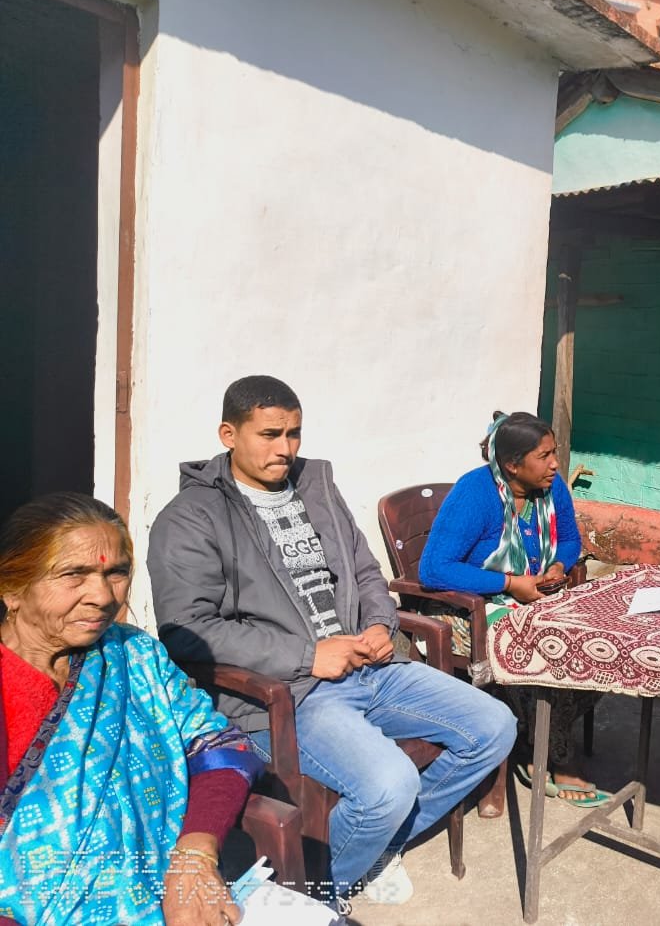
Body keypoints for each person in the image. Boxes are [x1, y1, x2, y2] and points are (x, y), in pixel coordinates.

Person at [148, 376, 516, 907]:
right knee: (389, 786)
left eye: (294, 434)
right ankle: (321, 895)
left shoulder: (314, 486)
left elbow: (366, 570)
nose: (286, 449)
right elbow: (188, 631)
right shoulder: (192, 518)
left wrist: (379, 626)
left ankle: (377, 846)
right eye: (270, 434)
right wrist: (308, 656)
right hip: (291, 694)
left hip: (372, 668)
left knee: (494, 727)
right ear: (229, 433)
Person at [0, 492, 263, 926]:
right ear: (12, 587)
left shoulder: (133, 655)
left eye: (116, 572)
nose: (103, 596)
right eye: (74, 574)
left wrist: (194, 856)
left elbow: (221, 747)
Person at [420, 412, 606, 807]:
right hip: (470, 606)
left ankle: (532, 737)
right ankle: (555, 753)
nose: (555, 464)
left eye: (554, 453)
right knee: (545, 647)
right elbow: (434, 568)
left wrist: (557, 565)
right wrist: (509, 584)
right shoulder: (476, 493)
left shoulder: (551, 487)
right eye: (544, 456)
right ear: (511, 465)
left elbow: (570, 539)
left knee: (599, 641)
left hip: (532, 595)